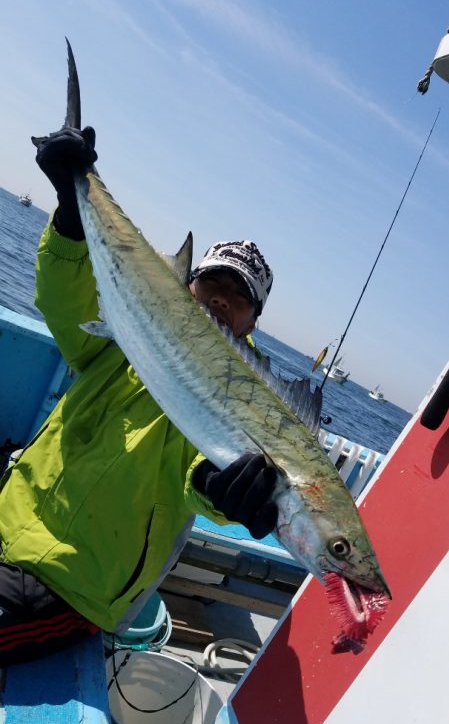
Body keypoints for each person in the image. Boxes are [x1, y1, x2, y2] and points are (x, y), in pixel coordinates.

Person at [0, 126, 277, 666]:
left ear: (250, 325)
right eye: (213, 283)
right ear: (188, 284)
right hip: (8, 515)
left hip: (71, 587)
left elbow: (199, 473)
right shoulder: (128, 336)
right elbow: (64, 304)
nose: (221, 300)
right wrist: (68, 218)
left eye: (239, 298)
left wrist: (226, 490)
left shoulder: (238, 404)